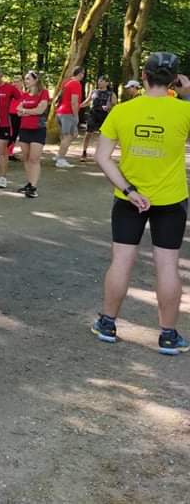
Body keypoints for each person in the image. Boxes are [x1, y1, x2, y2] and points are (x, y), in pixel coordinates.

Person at [91, 53, 190, 356]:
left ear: (144, 77)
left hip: (128, 200)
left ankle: (108, 323)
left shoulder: (122, 111)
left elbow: (102, 157)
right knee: (167, 265)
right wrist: (186, 93)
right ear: (174, 80)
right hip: (171, 199)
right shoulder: (184, 111)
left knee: (121, 260)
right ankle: (169, 335)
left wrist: (129, 189)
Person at [15, 71, 50, 199]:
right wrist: (29, 112)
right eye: (25, 79)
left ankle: (34, 187)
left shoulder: (44, 93)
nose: (26, 81)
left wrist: (25, 110)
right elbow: (17, 111)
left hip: (38, 129)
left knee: (34, 158)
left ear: (36, 80)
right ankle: (29, 183)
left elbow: (41, 109)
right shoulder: (24, 95)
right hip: (24, 129)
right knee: (26, 157)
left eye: (28, 78)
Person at [0, 68, 22, 188]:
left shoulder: (9, 88)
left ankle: (2, 178)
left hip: (3, 125)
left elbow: (21, 98)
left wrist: (21, 110)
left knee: (1, 151)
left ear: (1, 76)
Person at [80, 75, 116, 161]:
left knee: (103, 136)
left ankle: (101, 154)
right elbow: (87, 102)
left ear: (107, 83)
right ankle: (84, 152)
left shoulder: (111, 93)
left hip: (104, 115)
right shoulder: (94, 92)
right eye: (99, 81)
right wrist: (79, 106)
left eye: (102, 81)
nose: (99, 82)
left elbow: (115, 105)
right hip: (93, 114)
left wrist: (109, 107)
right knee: (88, 133)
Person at [55, 66, 84, 168]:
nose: (83, 76)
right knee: (68, 136)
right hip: (68, 113)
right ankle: (60, 159)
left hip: (60, 112)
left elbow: (59, 97)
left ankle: (59, 155)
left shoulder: (67, 82)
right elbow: (74, 102)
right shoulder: (76, 84)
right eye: (83, 74)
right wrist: (76, 116)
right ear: (80, 74)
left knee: (67, 135)